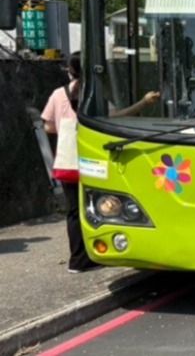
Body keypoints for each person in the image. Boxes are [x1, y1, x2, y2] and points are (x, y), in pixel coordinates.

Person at [42, 52, 159, 273]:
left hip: (66, 162)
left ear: (69, 70)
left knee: (73, 212)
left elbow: (47, 125)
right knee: (96, 208)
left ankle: (76, 260)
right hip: (91, 161)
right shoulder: (94, 95)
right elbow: (118, 116)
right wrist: (143, 102)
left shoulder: (58, 94)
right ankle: (94, 251)